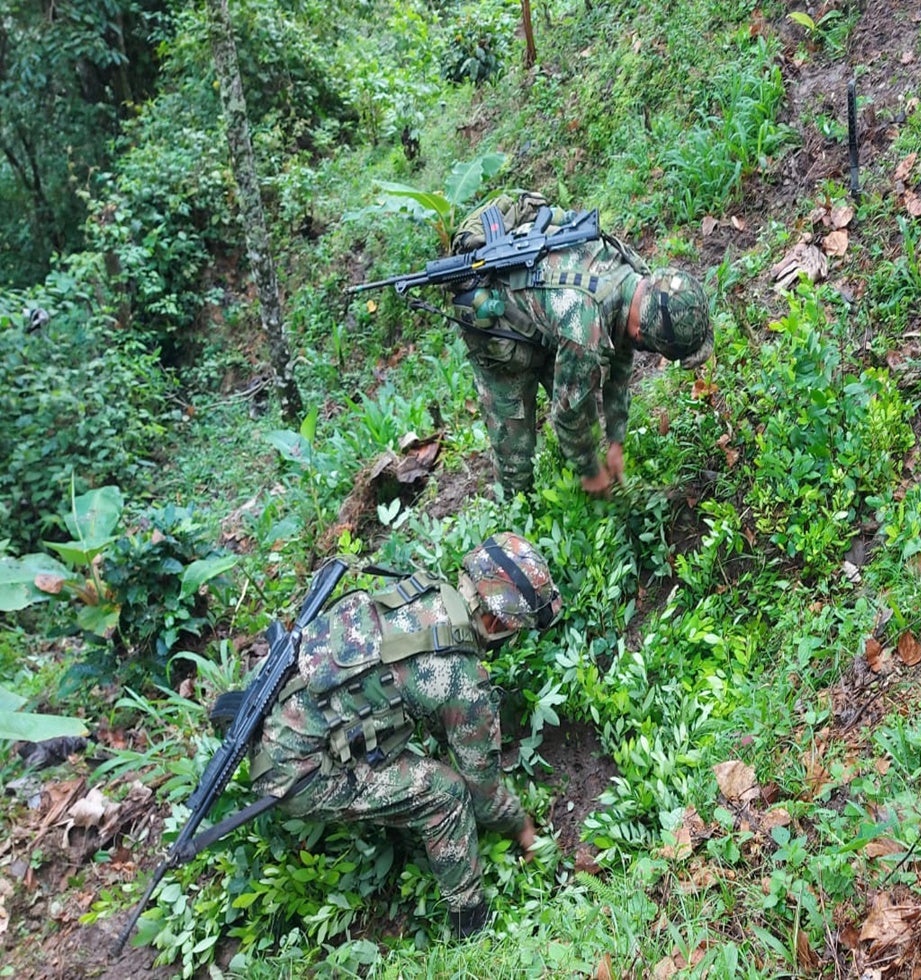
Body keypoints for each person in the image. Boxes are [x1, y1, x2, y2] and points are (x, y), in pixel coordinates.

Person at [210, 532, 562, 938]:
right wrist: (522, 827)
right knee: (446, 795)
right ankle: (471, 922)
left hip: (269, 707)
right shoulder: (463, 680)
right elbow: (483, 794)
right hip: (295, 773)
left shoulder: (422, 591)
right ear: (497, 622)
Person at [449, 190, 713, 497]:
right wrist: (590, 470)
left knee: (579, 394)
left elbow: (621, 359)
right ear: (645, 335)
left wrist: (615, 439)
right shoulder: (586, 328)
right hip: (497, 324)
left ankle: (569, 463)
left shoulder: (638, 282)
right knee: (517, 452)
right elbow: (568, 413)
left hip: (548, 310)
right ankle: (514, 516)